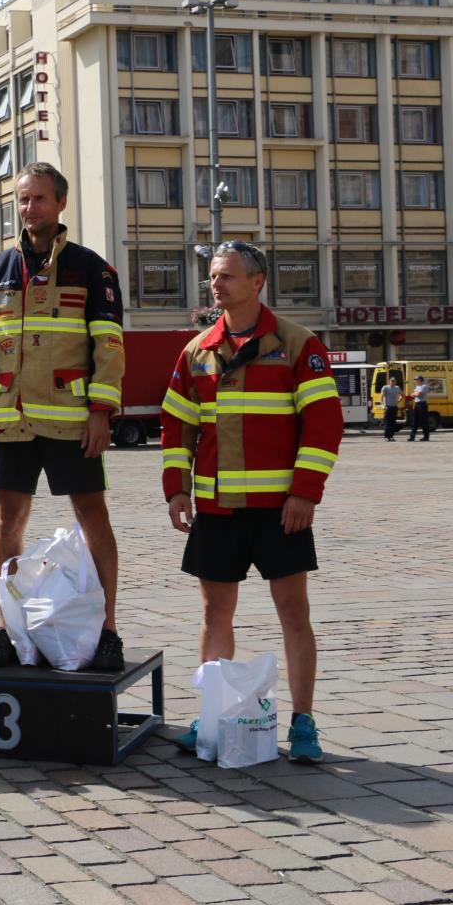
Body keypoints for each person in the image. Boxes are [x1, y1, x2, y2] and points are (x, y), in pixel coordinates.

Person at [162, 241, 344, 765]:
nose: (216, 285)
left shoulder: (297, 344)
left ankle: (304, 722)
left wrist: (305, 494)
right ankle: (212, 714)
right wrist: (176, 487)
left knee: (294, 614)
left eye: (227, 277)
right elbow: (177, 427)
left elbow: (324, 425)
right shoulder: (196, 351)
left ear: (258, 281)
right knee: (215, 613)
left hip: (279, 511)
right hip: (216, 509)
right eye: (213, 277)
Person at [0, 163, 127, 672]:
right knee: (7, 523)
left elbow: (109, 348)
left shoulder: (91, 269)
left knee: (92, 517)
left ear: (60, 204)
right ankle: (9, 628)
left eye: (38, 199)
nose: (28, 207)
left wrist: (102, 412)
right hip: (10, 420)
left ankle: (107, 632)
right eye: (22, 199)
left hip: (72, 422)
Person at [407, 375, 433, 441]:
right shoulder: (417, 387)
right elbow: (412, 395)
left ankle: (426, 437)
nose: (415, 381)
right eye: (415, 380)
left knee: (423, 421)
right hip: (417, 404)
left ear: (420, 380)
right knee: (415, 421)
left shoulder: (424, 386)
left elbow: (419, 394)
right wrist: (415, 394)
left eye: (416, 379)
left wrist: (414, 394)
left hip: (422, 404)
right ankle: (412, 437)